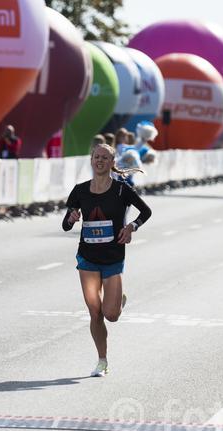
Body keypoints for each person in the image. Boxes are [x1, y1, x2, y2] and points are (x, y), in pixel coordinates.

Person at [62, 144, 152, 376]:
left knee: (111, 315)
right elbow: (65, 224)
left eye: (105, 157)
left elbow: (146, 211)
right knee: (95, 313)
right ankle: (102, 361)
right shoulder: (80, 191)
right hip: (87, 258)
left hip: (112, 258)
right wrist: (72, 218)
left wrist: (132, 226)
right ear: (91, 160)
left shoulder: (122, 190)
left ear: (112, 162)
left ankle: (118, 300)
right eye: (96, 157)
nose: (100, 161)